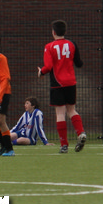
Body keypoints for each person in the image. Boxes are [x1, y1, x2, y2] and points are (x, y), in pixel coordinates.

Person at [38, 20, 86, 153]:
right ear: (65, 31)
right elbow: (79, 63)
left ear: (53, 32)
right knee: (72, 110)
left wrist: (41, 72)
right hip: (71, 82)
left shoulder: (49, 46)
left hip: (57, 83)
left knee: (60, 113)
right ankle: (81, 132)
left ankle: (64, 145)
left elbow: (48, 67)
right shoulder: (72, 44)